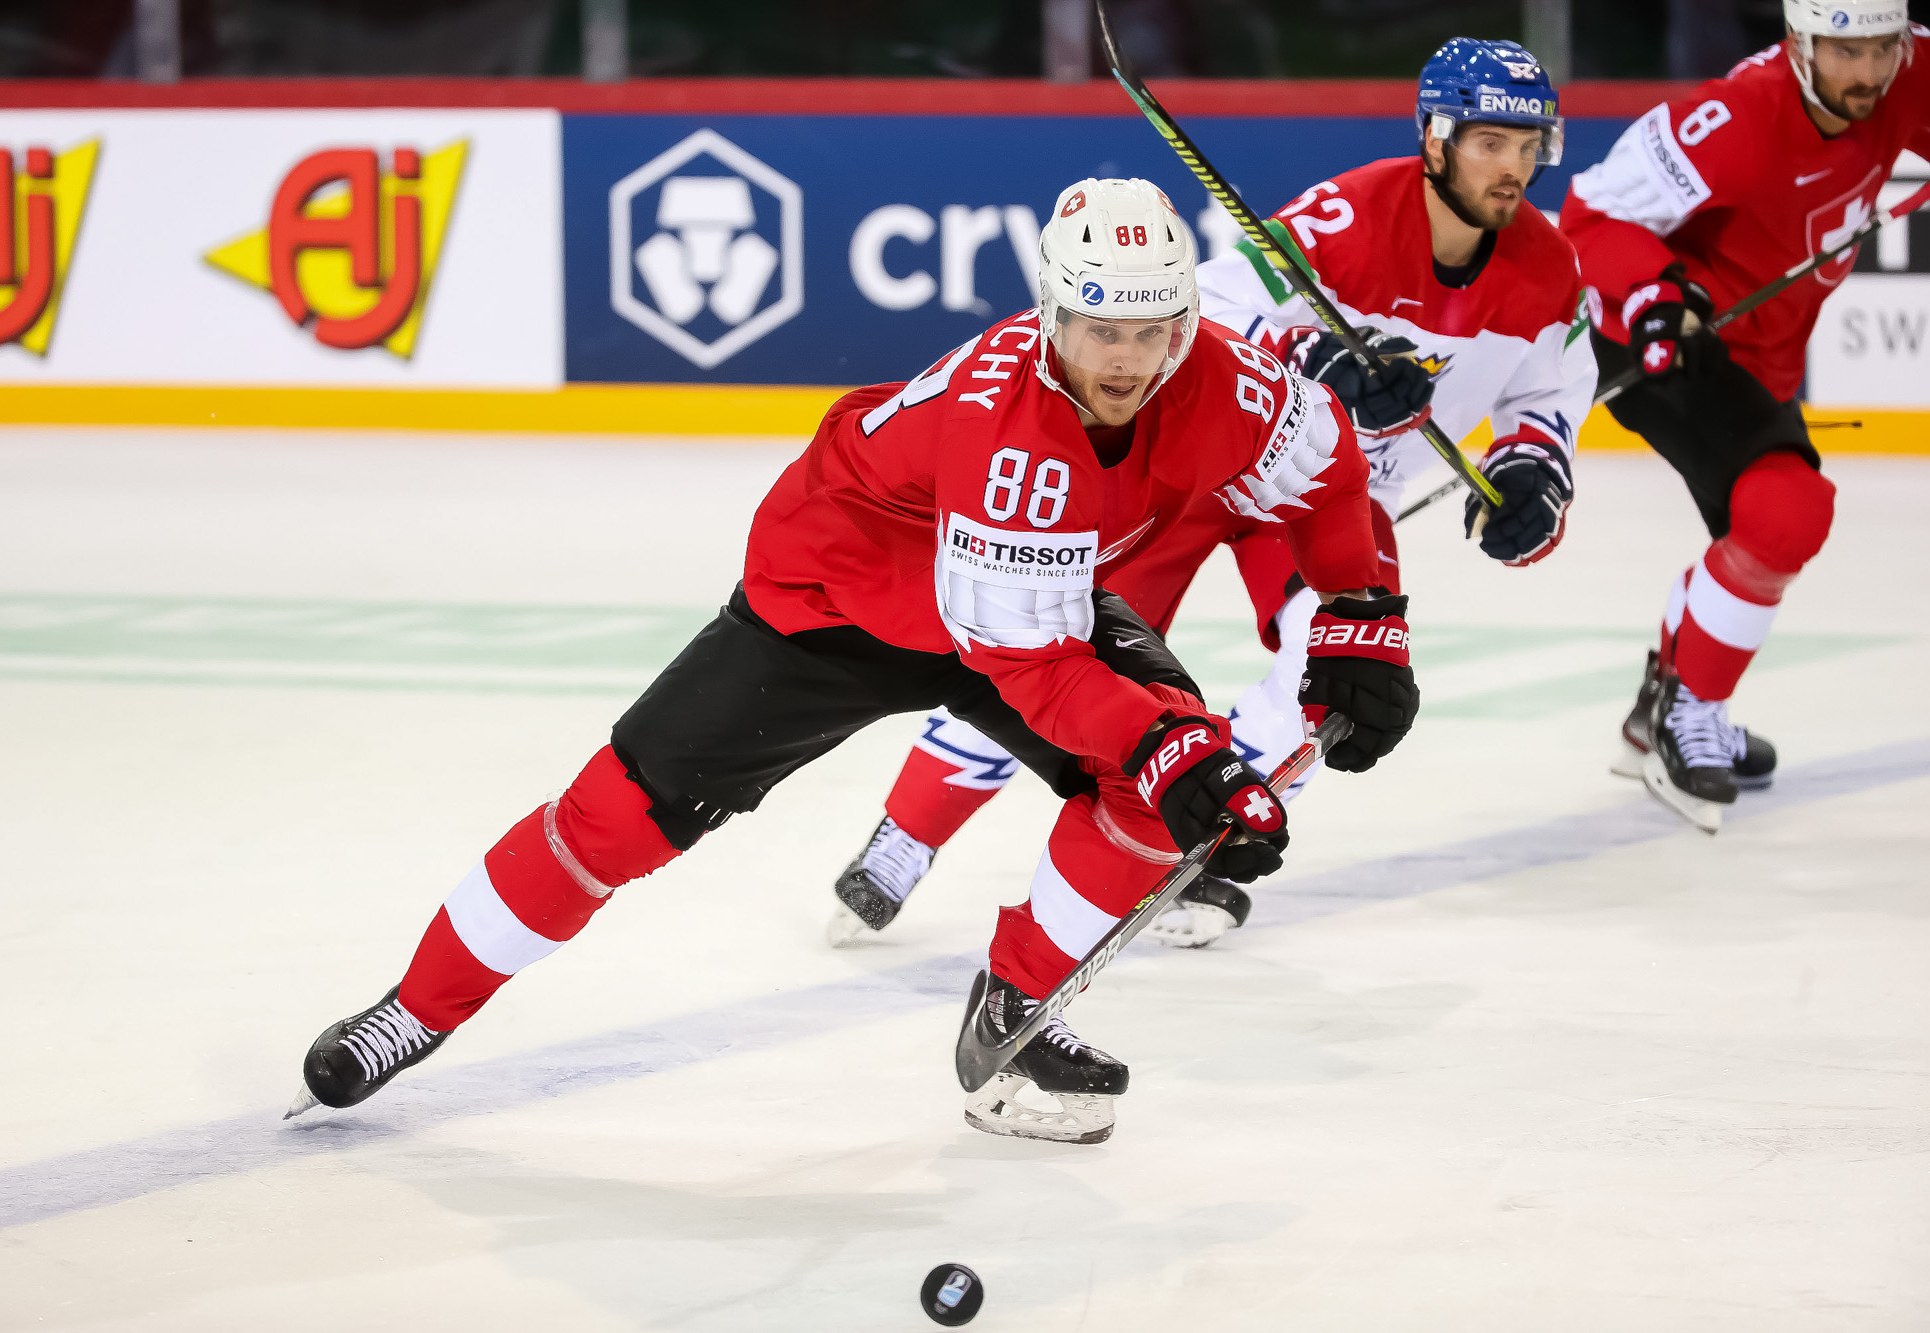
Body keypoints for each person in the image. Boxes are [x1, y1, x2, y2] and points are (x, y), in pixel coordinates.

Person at [289, 177, 1418, 1145]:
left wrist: (1365, 612)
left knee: (1167, 776)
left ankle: (1014, 1020)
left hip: (1022, 601)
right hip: (837, 603)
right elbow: (1029, 669)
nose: (1125, 360)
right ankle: (417, 1007)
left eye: (1150, 329)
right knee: (615, 816)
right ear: (1048, 316)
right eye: (1096, 329)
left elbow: (1325, 483)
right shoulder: (1010, 437)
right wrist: (1173, 748)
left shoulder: (1225, 377)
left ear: (1184, 317)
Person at [828, 37, 1594, 949]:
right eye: (1490, 143)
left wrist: (1530, 476)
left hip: (1325, 495)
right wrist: (1324, 372)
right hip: (1207, 470)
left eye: (1527, 146)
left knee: (1343, 648)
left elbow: (1547, 394)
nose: (1512, 168)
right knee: (1057, 648)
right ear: (1436, 138)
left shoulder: (1549, 272)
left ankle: (1203, 838)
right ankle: (907, 833)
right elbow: (1212, 318)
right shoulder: (1343, 219)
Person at [1560, 0, 1929, 831]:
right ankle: (1686, 712)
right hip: (1672, 339)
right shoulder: (1728, 120)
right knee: (1786, 512)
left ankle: (1663, 702)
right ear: (1798, 43)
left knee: (1765, 527)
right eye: (1845, 52)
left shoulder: (1907, 74)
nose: (1867, 73)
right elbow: (1590, 219)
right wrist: (1657, 295)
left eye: (1882, 49)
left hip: (1762, 356)